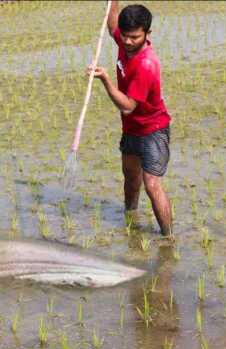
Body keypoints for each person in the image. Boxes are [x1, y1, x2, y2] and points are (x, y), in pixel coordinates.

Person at [87, 1, 173, 237]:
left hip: (153, 129)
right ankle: (130, 219)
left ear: (147, 34)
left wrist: (104, 79)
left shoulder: (146, 64)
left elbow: (127, 107)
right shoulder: (125, 43)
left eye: (134, 37)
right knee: (130, 177)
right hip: (132, 130)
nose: (127, 41)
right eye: (124, 36)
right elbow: (112, 20)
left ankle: (168, 237)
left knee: (152, 184)